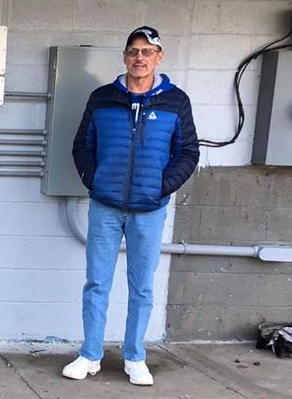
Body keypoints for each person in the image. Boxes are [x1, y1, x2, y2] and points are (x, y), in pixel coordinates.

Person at [63, 26, 200, 386]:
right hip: (106, 207)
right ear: (125, 56)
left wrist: (161, 186)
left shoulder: (175, 101)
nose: (140, 57)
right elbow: (82, 146)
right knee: (97, 283)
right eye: (134, 51)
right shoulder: (102, 98)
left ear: (159, 57)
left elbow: (188, 152)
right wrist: (94, 180)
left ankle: (135, 357)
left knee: (141, 287)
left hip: (149, 210)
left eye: (148, 51)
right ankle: (90, 354)